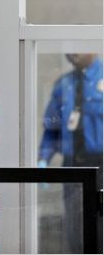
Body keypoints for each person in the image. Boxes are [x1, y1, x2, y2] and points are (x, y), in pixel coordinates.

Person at [38, 53, 103, 253]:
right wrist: (43, 159)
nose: (72, 54)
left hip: (101, 164)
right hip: (73, 164)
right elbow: (52, 129)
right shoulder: (63, 84)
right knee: (74, 223)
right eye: (70, 50)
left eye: (79, 48)